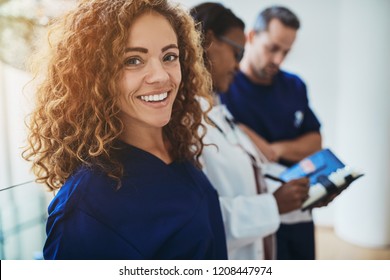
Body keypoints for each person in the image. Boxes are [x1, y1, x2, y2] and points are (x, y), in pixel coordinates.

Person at [22, 0, 227, 260]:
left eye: (169, 57)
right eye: (133, 60)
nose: (161, 76)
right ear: (96, 75)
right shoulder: (86, 207)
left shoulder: (176, 148)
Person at [190, 2, 310, 260]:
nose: (237, 65)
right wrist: (273, 205)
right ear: (208, 41)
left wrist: (296, 195)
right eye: (237, 53)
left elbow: (248, 176)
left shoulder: (218, 110)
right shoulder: (186, 124)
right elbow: (198, 221)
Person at [221, 6, 322, 260]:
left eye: (286, 52)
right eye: (273, 48)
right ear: (252, 37)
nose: (279, 60)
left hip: (299, 212)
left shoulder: (294, 85)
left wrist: (274, 149)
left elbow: (315, 141)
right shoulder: (224, 89)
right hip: (255, 216)